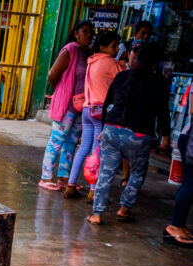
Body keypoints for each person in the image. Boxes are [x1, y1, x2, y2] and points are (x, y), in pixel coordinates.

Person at [87, 43, 170, 225]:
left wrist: (103, 130)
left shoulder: (122, 77)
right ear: (155, 64)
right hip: (138, 136)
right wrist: (166, 136)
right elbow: (163, 112)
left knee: (105, 173)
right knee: (137, 173)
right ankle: (124, 208)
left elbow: (108, 105)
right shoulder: (159, 83)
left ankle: (97, 214)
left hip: (112, 130)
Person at [66, 30, 123, 200]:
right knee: (97, 151)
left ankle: (70, 185)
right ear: (103, 47)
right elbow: (122, 81)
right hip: (101, 111)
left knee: (83, 148)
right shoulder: (112, 63)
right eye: (114, 46)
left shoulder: (91, 61)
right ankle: (93, 190)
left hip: (86, 109)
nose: (116, 48)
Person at [39, 21, 93, 191]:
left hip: (80, 106)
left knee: (71, 143)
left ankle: (64, 178)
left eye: (91, 32)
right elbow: (52, 75)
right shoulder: (70, 49)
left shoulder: (89, 52)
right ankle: (46, 177)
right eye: (85, 31)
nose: (89, 35)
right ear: (76, 33)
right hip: (66, 106)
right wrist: (61, 90)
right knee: (57, 140)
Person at [164, 103, 193, 246]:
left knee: (189, 183)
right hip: (190, 139)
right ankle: (174, 227)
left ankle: (179, 224)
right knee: (190, 184)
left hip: (188, 138)